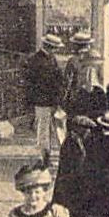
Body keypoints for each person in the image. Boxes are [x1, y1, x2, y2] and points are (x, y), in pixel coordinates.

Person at [52, 115, 94, 217]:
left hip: (72, 189)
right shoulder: (72, 144)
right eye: (87, 129)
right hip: (72, 190)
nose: (89, 132)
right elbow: (77, 169)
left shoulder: (75, 141)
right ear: (79, 129)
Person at [24, 33, 67, 163]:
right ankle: (55, 155)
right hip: (50, 100)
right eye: (54, 48)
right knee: (57, 129)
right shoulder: (47, 61)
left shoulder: (36, 59)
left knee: (43, 130)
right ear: (50, 47)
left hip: (40, 101)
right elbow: (55, 81)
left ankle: (45, 155)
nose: (55, 51)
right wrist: (58, 99)